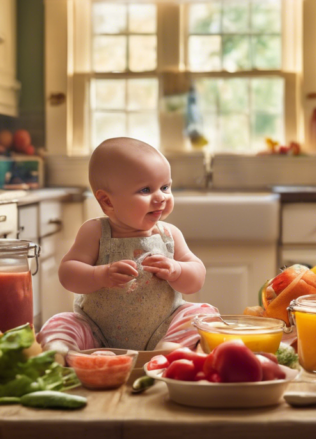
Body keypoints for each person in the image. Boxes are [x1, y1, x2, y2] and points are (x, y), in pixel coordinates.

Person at [37, 138, 219, 358]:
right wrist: (99, 274)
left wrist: (177, 270)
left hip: (163, 328)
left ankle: (169, 351)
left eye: (165, 187)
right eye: (145, 190)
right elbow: (67, 274)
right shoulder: (95, 232)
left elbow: (196, 277)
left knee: (203, 313)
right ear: (107, 202)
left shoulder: (170, 234)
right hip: (97, 332)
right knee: (60, 321)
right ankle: (62, 352)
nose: (161, 197)